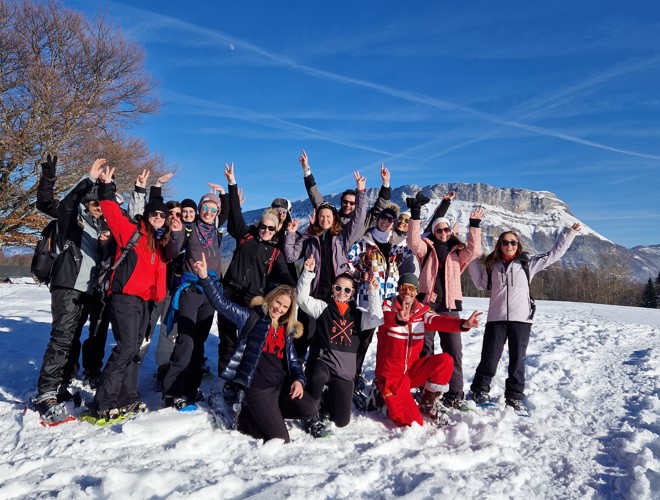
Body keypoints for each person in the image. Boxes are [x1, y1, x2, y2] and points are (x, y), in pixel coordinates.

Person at [193, 253, 317, 443]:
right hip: (257, 389)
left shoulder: (286, 330)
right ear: (270, 298)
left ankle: (267, 414)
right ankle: (244, 418)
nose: (280, 309)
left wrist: (299, 380)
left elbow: (293, 363)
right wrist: (204, 277)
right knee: (280, 439)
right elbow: (221, 304)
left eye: (285, 307)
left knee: (309, 408)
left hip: (279, 386)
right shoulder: (251, 317)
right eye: (278, 302)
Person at [90, 163, 179, 420]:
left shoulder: (161, 244)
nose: (158, 218)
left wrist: (158, 190)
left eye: (162, 216)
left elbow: (172, 245)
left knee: (135, 347)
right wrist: (106, 186)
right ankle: (103, 401)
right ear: (147, 215)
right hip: (125, 297)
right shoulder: (131, 232)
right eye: (154, 215)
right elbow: (111, 212)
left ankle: (127, 397)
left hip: (147, 301)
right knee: (126, 347)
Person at [467, 223, 581, 412]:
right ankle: (479, 390)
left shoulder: (528, 263)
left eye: (513, 242)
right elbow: (480, 285)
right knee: (489, 356)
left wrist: (569, 234)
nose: (509, 245)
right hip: (496, 318)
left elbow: (554, 254)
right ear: (500, 245)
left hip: (521, 320)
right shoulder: (491, 265)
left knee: (517, 359)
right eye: (505, 242)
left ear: (518, 245)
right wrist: (471, 260)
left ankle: (514, 396)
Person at [33, 158, 110, 423]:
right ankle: (45, 393)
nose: (98, 207)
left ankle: (60, 383)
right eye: (94, 202)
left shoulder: (104, 229)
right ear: (87, 203)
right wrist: (86, 179)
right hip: (67, 286)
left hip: (88, 291)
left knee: (73, 338)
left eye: (101, 203)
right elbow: (55, 204)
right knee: (62, 339)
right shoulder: (72, 220)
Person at [217, 164, 296, 401]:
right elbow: (236, 216)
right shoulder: (245, 237)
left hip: (253, 298)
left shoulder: (276, 254)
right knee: (227, 337)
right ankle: (227, 379)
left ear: (275, 231)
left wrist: (301, 286)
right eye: (263, 226)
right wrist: (232, 183)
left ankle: (244, 376)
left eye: (271, 228)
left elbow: (285, 277)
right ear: (259, 226)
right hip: (229, 292)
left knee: (248, 339)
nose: (266, 230)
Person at [407, 191, 484, 409]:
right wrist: (415, 214)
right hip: (428, 306)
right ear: (434, 232)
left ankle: (455, 392)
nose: (443, 232)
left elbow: (475, 250)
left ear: (451, 231)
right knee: (426, 350)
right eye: (439, 229)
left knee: (454, 351)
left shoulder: (458, 252)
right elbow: (413, 241)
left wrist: (474, 224)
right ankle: (425, 390)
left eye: (446, 229)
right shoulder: (426, 248)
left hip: (450, 307)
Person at [375, 273, 481, 427]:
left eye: (412, 288)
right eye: (404, 287)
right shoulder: (387, 307)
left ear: (417, 292)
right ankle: (382, 398)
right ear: (398, 289)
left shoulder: (421, 311)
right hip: (392, 376)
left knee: (445, 361)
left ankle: (428, 400)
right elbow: (387, 319)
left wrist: (463, 324)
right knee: (412, 422)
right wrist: (399, 319)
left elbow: (438, 320)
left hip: (412, 371)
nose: (407, 291)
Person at [296, 255, 383, 435]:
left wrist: (373, 292)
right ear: (332, 289)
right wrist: (308, 273)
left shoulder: (359, 315)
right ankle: (310, 412)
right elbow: (302, 299)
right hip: (324, 363)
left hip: (344, 370)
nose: (342, 293)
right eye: (338, 288)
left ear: (353, 293)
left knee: (341, 421)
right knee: (317, 375)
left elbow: (377, 319)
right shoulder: (323, 307)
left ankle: (327, 399)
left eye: (347, 290)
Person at [284, 171, 368, 358]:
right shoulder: (308, 237)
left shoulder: (343, 238)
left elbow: (359, 219)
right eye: (322, 216)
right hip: (312, 294)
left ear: (334, 218)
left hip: (335, 296)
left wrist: (361, 192)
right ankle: (295, 372)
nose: (325, 219)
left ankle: (320, 371)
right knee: (304, 335)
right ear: (317, 217)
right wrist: (291, 234)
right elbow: (290, 257)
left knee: (328, 337)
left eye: (329, 216)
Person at [162, 184, 229, 409]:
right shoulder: (189, 229)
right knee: (185, 342)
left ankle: (190, 388)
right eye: (205, 208)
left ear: (218, 212)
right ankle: (172, 390)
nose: (208, 212)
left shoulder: (217, 233)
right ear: (199, 208)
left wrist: (227, 192)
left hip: (210, 292)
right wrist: (177, 234)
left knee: (199, 343)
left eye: (213, 209)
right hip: (191, 290)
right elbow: (172, 254)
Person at [347, 205, 412, 381]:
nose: (385, 222)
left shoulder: (397, 245)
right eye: (383, 217)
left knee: (389, 341)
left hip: (390, 301)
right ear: (378, 219)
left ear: (394, 223)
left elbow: (415, 247)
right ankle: (353, 375)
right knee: (363, 340)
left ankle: (384, 377)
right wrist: (360, 275)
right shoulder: (364, 242)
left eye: (390, 219)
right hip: (368, 300)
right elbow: (347, 262)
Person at [299, 149, 391, 240]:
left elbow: (380, 208)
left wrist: (386, 184)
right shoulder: (332, 217)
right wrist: (306, 171)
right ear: (341, 201)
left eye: (352, 203)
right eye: (345, 202)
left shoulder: (364, 221)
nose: (348, 205)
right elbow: (315, 197)